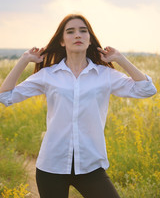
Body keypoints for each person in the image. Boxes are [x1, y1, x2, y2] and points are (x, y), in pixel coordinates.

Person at [0, 14, 157, 198]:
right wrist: (24, 60)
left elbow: (147, 89)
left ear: (90, 39)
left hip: (90, 166)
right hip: (52, 166)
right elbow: (5, 96)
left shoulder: (104, 75)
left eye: (83, 31)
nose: (78, 35)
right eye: (71, 31)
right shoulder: (48, 75)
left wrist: (120, 59)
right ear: (62, 41)